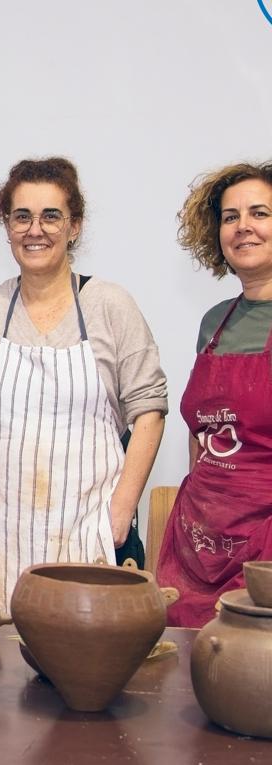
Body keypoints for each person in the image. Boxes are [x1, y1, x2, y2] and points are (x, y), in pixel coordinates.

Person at [0, 157, 167, 609]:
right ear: (6, 226)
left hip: (88, 530)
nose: (35, 230)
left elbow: (149, 410)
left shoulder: (110, 304)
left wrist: (122, 511)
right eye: (22, 216)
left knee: (84, 660)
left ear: (74, 227)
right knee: (2, 668)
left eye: (51, 216)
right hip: (0, 534)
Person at [158, 162, 272, 627]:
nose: (243, 226)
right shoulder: (214, 322)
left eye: (259, 213)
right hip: (197, 537)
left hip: (266, 543)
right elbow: (200, 429)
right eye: (230, 216)